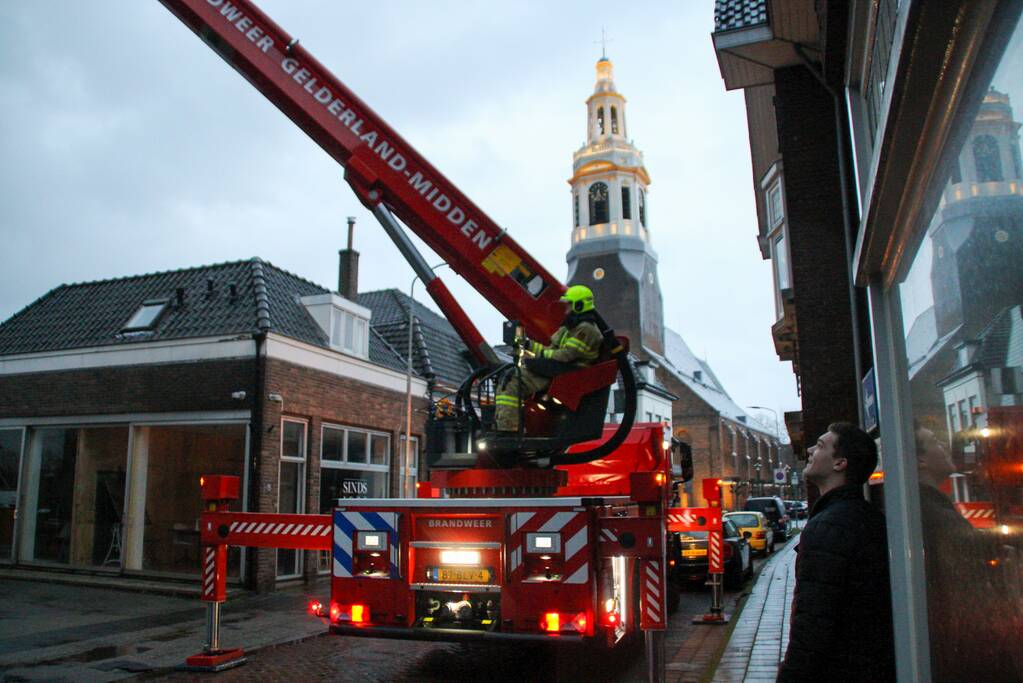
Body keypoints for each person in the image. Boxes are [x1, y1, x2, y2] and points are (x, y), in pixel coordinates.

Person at [777, 422, 895, 682]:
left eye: (819, 446)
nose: (809, 450)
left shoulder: (828, 527)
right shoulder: (865, 516)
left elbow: (812, 623)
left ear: (840, 463)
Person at [493, 285, 603, 433]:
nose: (566, 310)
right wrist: (527, 344)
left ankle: (507, 430)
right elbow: (551, 350)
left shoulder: (587, 330)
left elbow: (567, 355)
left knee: (513, 381)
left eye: (569, 305)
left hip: (570, 374)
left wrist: (541, 357)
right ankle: (507, 425)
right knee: (511, 376)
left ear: (579, 305)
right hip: (558, 370)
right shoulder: (568, 329)